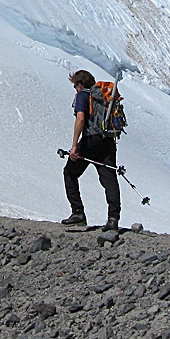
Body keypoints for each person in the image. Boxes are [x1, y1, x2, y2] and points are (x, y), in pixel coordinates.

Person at [61, 69, 120, 231]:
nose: (75, 89)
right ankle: (113, 219)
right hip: (108, 141)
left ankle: (78, 213)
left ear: (80, 84)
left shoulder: (83, 95)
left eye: (75, 86)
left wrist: (74, 146)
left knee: (70, 172)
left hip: (90, 141)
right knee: (109, 179)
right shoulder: (103, 98)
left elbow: (81, 118)